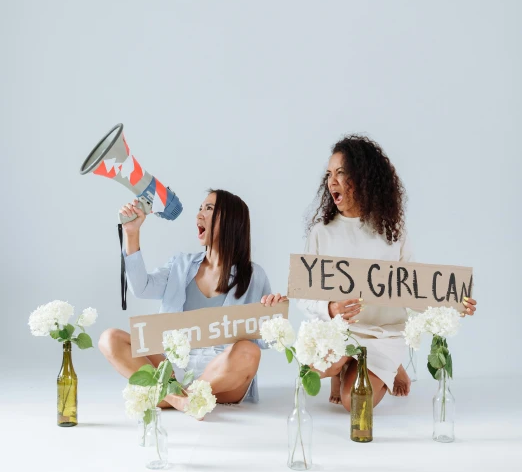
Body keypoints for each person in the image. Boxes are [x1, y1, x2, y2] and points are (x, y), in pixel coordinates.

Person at [297, 135, 477, 410]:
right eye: (329, 174)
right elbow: (303, 294)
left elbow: (414, 288)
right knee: (318, 366)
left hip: (382, 333)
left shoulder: (393, 232)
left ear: (362, 177)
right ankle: (344, 365)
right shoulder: (321, 233)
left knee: (354, 404)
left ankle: (389, 365)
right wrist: (330, 308)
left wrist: (455, 303)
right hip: (340, 332)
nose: (332, 181)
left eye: (341, 173)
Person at [99, 189, 287, 416]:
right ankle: (179, 399)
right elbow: (142, 287)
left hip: (221, 375)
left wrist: (273, 315)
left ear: (231, 221)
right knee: (109, 339)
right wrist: (131, 233)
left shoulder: (254, 275)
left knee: (249, 352)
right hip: (171, 368)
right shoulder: (181, 264)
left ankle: (166, 396)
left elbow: (266, 342)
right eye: (200, 208)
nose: (199, 215)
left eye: (208, 209)